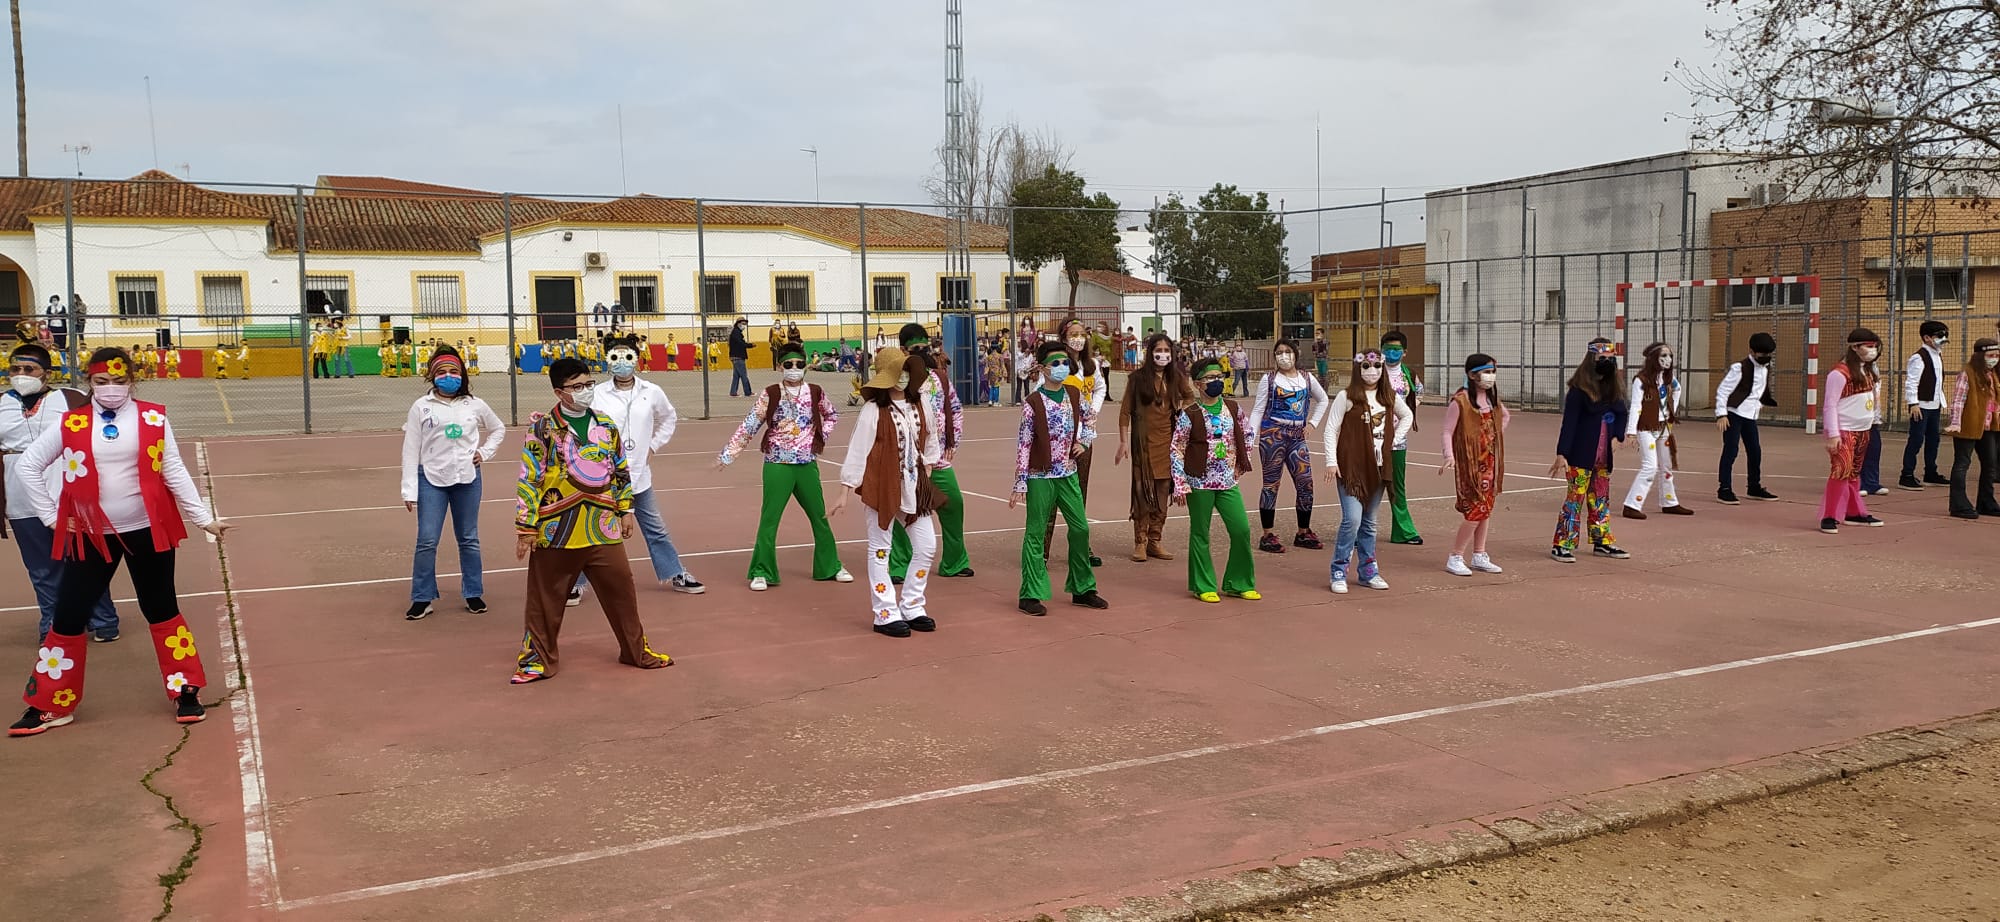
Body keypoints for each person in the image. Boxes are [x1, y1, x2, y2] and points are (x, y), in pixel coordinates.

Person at [9, 347, 230, 737]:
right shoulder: (71, 423)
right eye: (101, 382)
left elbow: (173, 467)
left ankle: (185, 691)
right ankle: (50, 704)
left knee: (161, 608)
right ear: (89, 382)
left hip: (147, 529)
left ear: (132, 380)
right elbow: (28, 465)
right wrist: (49, 516)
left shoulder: (152, 417)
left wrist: (203, 518)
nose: (110, 389)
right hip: (92, 534)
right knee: (69, 615)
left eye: (119, 381)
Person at [509, 358, 674, 685]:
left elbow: (620, 470)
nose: (585, 391)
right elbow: (529, 479)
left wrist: (625, 509)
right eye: (576, 387)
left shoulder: (605, 425)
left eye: (588, 384)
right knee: (545, 599)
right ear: (560, 392)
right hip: (557, 528)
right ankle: (537, 661)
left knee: (622, 590)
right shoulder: (541, 428)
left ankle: (635, 650)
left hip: (602, 525)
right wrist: (526, 528)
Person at [569, 337, 705, 607]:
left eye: (627, 357)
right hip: (603, 476)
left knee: (656, 528)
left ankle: (675, 573)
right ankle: (576, 583)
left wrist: (653, 446)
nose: (622, 364)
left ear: (636, 358)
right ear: (607, 361)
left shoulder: (651, 391)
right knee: (591, 527)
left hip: (639, 476)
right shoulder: (596, 394)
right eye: (615, 358)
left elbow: (668, 418)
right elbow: (579, 422)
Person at [1, 343, 121, 642]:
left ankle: (102, 618)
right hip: (20, 494)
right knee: (41, 567)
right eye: (15, 369)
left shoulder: (71, 399)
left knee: (83, 559)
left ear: (47, 373)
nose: (21, 375)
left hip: (68, 490)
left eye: (29, 369)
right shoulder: (1, 403)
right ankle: (54, 625)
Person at [716, 342, 851, 591]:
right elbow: (750, 425)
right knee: (769, 519)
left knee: (819, 517)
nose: (794, 369)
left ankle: (830, 566)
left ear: (805, 366)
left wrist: (819, 438)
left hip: (806, 464)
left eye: (799, 364)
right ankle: (761, 571)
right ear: (780, 366)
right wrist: (728, 454)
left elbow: (831, 415)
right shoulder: (770, 393)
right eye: (788, 364)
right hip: (777, 464)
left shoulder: (816, 391)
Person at [831, 347, 945, 638]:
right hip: (882, 485)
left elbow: (931, 437)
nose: (904, 377)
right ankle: (885, 613)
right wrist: (846, 488)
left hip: (915, 485)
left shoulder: (922, 404)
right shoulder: (874, 410)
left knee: (926, 546)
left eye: (907, 371)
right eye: (898, 372)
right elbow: (859, 449)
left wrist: (929, 464)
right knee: (881, 548)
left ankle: (912, 605)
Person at [401, 347, 504, 621]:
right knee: (427, 540)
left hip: (467, 479)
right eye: (442, 372)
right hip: (431, 479)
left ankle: (473, 592)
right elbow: (410, 449)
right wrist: (409, 489)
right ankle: (422, 597)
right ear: (433, 376)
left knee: (468, 539)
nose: (449, 377)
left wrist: (484, 452)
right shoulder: (421, 407)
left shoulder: (475, 404)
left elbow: (498, 429)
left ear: (462, 374)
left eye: (454, 372)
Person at [1010, 340, 1109, 616]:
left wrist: (1085, 442)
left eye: (1065, 362)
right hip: (1040, 475)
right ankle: (1030, 593)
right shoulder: (1032, 403)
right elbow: (1024, 443)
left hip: (1068, 473)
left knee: (1080, 529)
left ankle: (1083, 587)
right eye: (1055, 363)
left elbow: (1090, 420)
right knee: (1035, 532)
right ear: (1042, 368)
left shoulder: (1075, 396)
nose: (1062, 367)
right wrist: (1020, 482)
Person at [1322, 349, 1411, 593]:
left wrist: (1395, 440)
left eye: (1377, 367)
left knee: (1369, 522)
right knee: (1352, 519)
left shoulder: (1389, 396)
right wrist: (1332, 461)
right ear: (1357, 369)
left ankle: (1368, 570)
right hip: (1351, 467)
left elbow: (1407, 416)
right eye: (1366, 367)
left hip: (1379, 468)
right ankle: (1339, 569)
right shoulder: (1346, 396)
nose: (1372, 372)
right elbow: (1331, 429)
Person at [1171, 357, 1259, 603]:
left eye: (1219, 377)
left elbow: (1248, 433)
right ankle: (1203, 585)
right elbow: (1177, 448)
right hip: (1199, 482)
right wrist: (1180, 482)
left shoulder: (1232, 408)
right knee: (1200, 533)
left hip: (1228, 481)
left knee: (1241, 529)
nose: (1216, 382)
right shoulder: (1190, 414)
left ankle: (1238, 582)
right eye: (1210, 378)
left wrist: (1242, 462)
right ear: (1198, 384)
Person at [889, 324, 971, 581]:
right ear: (903, 350)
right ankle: (900, 566)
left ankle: (954, 562)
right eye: (916, 348)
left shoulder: (939, 378)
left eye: (926, 346)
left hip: (937, 459)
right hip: (905, 460)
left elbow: (955, 409)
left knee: (953, 503)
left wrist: (952, 444)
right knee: (904, 510)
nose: (923, 352)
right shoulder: (896, 380)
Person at [1549, 339, 1631, 563]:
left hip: (1603, 458)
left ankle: (1601, 541)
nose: (1606, 362)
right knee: (1575, 500)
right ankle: (1563, 543)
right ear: (1591, 360)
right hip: (1580, 457)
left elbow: (1621, 413)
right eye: (1601, 359)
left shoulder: (1613, 389)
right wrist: (1562, 453)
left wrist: (1618, 435)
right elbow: (1569, 424)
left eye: (1609, 359)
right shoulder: (1579, 392)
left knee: (1601, 500)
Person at [1117, 332, 1194, 562]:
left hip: (1168, 443)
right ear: (1149, 353)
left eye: (1166, 351)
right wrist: (1122, 441)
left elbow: (1190, 397)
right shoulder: (1137, 378)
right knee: (1142, 493)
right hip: (1143, 444)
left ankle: (1155, 540)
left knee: (1162, 492)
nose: (1162, 355)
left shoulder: (1176, 377)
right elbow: (1124, 412)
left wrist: (1180, 408)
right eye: (1158, 351)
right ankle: (1139, 542)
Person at [1248, 338, 1329, 553]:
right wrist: (1249, 437)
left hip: (1297, 436)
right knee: (1271, 485)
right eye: (1279, 352)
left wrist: (1312, 423)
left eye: (1287, 352)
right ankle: (1267, 534)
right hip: (1273, 435)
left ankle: (1303, 531)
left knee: (1306, 483)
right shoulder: (1270, 379)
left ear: (1295, 354)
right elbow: (1258, 409)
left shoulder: (1307, 378)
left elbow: (1323, 400)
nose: (1283, 356)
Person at [1440, 354, 1510, 576]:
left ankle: (1479, 553)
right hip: (1469, 465)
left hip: (1489, 464)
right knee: (1476, 510)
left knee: (1486, 510)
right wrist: (1449, 455)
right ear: (1472, 375)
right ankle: (1455, 555)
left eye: (1492, 372)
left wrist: (1491, 436)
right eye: (1486, 372)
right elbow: (1447, 431)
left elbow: (1505, 417)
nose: (1490, 376)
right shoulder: (1460, 401)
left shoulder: (1491, 401)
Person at [1046, 319, 1108, 567]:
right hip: (1059, 439)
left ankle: (1081, 546)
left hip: (1084, 439)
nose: (1078, 338)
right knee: (1051, 496)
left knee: (1079, 494)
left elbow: (1101, 389)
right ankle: (1042, 550)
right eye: (1073, 334)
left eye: (1082, 334)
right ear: (1064, 336)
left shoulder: (1091, 365)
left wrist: (1092, 411)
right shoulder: (1058, 364)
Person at [1818, 329, 1885, 534]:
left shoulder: (1868, 371)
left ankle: (1854, 512)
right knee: (1840, 472)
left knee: (1854, 474)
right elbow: (1830, 405)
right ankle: (1829, 516)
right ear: (1855, 347)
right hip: (1845, 431)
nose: (1872, 350)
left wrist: (1874, 419)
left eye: (1874, 346)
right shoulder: (1839, 373)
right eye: (1868, 346)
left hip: (1863, 430)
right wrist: (1833, 434)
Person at [1621, 341, 1693, 519]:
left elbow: (1677, 389)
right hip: (1646, 428)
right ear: (1654, 358)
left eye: (1669, 356)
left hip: (1664, 428)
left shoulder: (1668, 379)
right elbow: (1636, 406)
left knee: (1666, 466)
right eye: (1663, 356)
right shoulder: (1641, 380)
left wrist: (1671, 413)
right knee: (1650, 467)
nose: (1668, 360)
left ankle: (1669, 502)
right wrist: (1631, 432)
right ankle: (1632, 504)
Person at [1715, 332, 1780, 505]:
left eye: (1768, 355)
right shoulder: (1739, 368)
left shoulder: (1766, 369)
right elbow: (1723, 391)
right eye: (1761, 354)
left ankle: (1754, 487)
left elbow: (1757, 391)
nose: (1765, 357)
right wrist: (1721, 414)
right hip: (1734, 414)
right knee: (1731, 449)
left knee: (1755, 451)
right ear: (1751, 351)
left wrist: (1759, 404)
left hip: (1750, 415)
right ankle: (1724, 488)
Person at [1943, 337, 2000, 519]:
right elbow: (1958, 400)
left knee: (1990, 464)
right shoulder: (1967, 373)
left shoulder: (1994, 374)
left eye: (1997, 355)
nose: (1994, 358)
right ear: (1979, 355)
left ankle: (1986, 502)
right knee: (1962, 464)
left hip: (1989, 425)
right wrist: (1956, 422)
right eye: (1990, 355)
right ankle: (1959, 505)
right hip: (1969, 424)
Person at [1380, 331, 1425, 545]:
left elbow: (1418, 394)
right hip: (1373, 438)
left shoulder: (1410, 374)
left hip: (1398, 440)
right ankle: (1360, 531)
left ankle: (1403, 531)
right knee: (1368, 485)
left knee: (1397, 486)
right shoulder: (1373, 371)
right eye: (1387, 349)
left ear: (1404, 352)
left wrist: (1405, 415)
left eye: (1396, 349)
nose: (1391, 353)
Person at [1900, 320, 1952, 491]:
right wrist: (1913, 403)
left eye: (1945, 335)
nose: (1943, 339)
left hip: (1934, 405)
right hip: (1921, 406)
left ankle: (1931, 472)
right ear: (1927, 337)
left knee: (1933, 440)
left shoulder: (1937, 355)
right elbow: (1912, 382)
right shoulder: (1919, 357)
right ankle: (1906, 474)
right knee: (1916, 439)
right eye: (1939, 336)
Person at [727, 317, 753, 397]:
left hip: (735, 356)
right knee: (743, 375)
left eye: (745, 324)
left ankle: (733, 392)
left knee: (736, 375)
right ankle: (747, 392)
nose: (744, 326)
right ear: (738, 324)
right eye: (743, 324)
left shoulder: (736, 332)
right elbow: (741, 344)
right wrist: (750, 345)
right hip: (738, 356)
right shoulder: (736, 333)